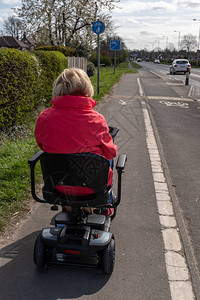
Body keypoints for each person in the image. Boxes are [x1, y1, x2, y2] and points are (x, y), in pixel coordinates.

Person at [34, 68, 117, 217]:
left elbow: (42, 145)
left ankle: (67, 206)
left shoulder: (44, 117)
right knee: (108, 161)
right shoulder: (96, 119)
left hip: (58, 186)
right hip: (92, 188)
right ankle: (105, 205)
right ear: (87, 89)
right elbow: (111, 152)